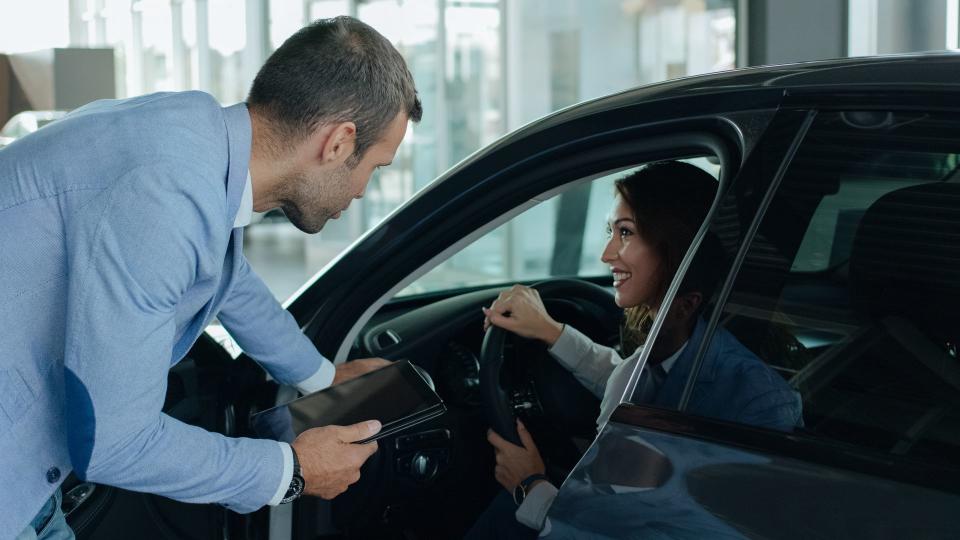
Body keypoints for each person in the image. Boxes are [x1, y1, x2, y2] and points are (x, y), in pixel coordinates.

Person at [1, 16, 422, 539]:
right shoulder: (166, 195)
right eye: (374, 167)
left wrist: (321, 379)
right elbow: (116, 443)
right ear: (338, 143)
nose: (361, 191)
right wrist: (290, 472)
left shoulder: (194, 137)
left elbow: (226, 275)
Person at [465, 161, 802, 539]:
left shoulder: (760, 404)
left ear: (676, 248)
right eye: (611, 230)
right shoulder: (678, 344)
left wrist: (532, 486)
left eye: (625, 233)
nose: (606, 254)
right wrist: (551, 331)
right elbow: (636, 381)